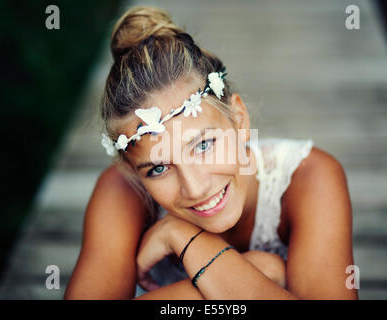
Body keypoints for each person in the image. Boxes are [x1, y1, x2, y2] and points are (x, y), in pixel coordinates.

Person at [64, 5, 357, 300]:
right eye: (159, 169)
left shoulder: (308, 177)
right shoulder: (121, 189)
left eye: (203, 145)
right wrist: (260, 271)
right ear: (131, 169)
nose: (195, 187)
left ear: (239, 119)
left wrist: (186, 238)